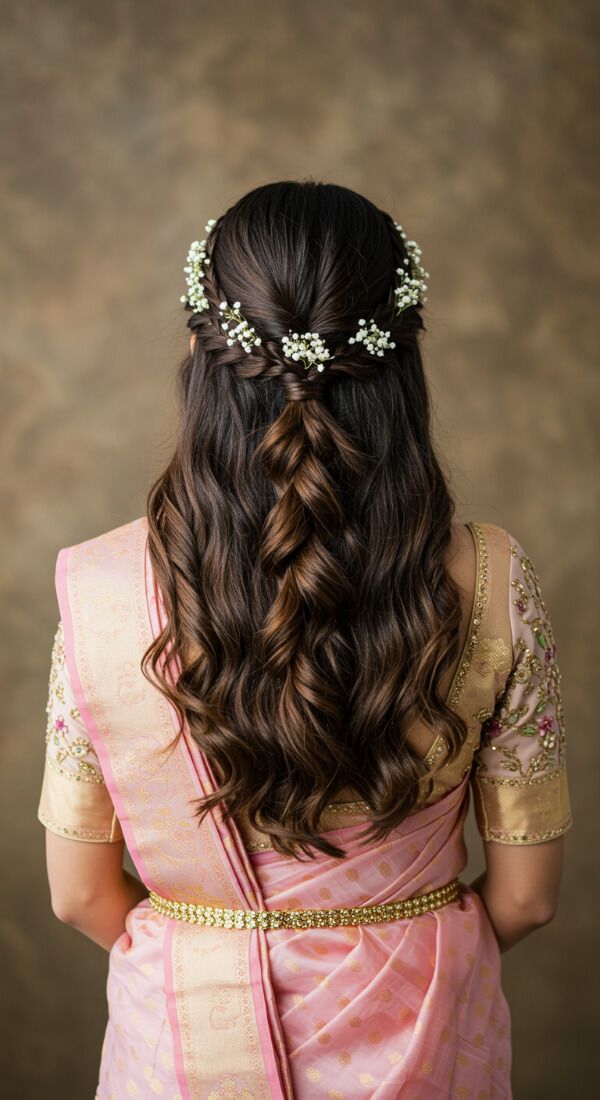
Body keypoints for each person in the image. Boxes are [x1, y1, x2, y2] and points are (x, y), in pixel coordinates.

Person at [38, 180, 572, 1099]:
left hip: (181, 1048)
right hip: (432, 1031)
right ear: (400, 359)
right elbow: (526, 897)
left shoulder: (102, 591)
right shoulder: (490, 580)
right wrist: (413, 940)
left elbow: (81, 895)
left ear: (205, 356)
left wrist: (216, 942)